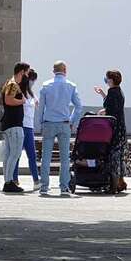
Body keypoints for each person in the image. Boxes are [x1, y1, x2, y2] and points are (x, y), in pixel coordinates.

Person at [36, 61, 83, 196]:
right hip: (64, 123)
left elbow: (41, 107)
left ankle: (44, 186)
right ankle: (63, 186)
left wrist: (40, 122)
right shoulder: (71, 86)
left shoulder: (46, 85)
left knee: (46, 156)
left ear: (53, 71)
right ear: (65, 70)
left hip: (49, 122)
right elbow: (78, 106)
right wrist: (72, 120)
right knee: (64, 157)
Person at [95, 70, 130, 194]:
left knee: (113, 156)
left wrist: (102, 112)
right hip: (121, 127)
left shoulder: (112, 91)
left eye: (107, 78)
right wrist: (103, 94)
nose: (106, 80)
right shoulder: (119, 91)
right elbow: (112, 105)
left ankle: (114, 185)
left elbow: (110, 109)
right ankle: (120, 181)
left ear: (111, 80)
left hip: (114, 129)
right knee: (119, 156)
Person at [1, 62, 29, 193]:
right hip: (14, 125)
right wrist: (22, 101)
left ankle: (8, 180)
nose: (27, 76)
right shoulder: (13, 84)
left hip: (9, 124)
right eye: (27, 73)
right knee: (15, 153)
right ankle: (9, 181)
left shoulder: (10, 83)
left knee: (8, 155)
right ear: (22, 72)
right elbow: (8, 100)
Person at [12, 69, 40, 190]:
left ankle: (36, 180)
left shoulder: (32, 93)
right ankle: (14, 179)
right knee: (17, 154)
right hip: (21, 125)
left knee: (32, 155)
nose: (32, 82)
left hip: (29, 126)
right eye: (31, 79)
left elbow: (36, 103)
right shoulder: (19, 91)